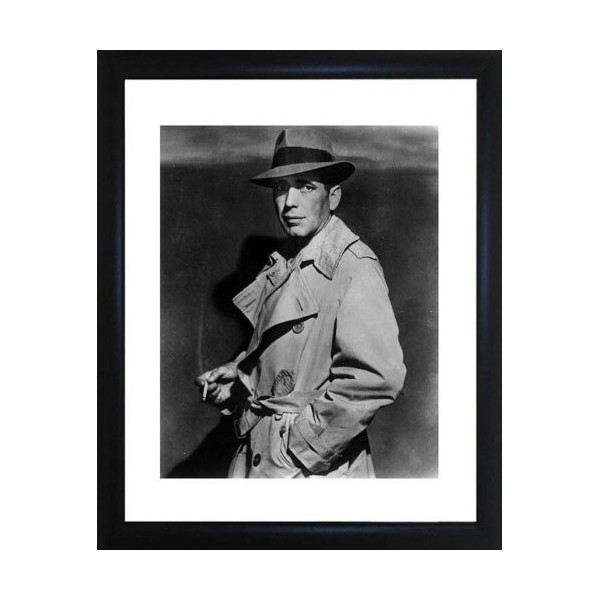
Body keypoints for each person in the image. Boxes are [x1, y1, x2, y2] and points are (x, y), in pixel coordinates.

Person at [195, 127, 406, 478]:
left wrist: (300, 446)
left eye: (305, 186)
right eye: (281, 188)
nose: (289, 201)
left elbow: (375, 377)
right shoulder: (284, 261)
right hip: (260, 457)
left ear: (333, 196)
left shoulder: (354, 266)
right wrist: (240, 377)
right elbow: (286, 356)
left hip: (311, 471)